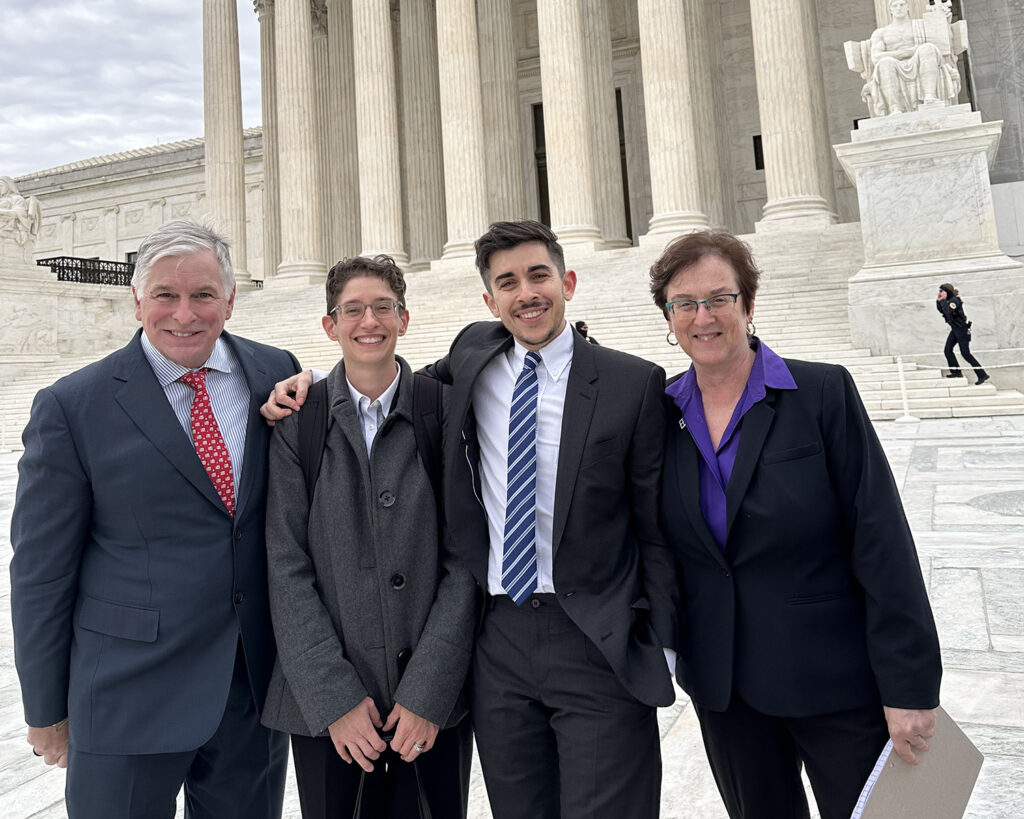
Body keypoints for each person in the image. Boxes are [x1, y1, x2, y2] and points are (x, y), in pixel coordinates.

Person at [264, 220, 679, 818]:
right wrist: (305, 383)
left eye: (538, 275)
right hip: (501, 639)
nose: (525, 293)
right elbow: (384, 381)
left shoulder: (632, 382)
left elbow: (656, 527)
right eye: (506, 282)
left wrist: (657, 644)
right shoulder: (471, 360)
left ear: (568, 281)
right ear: (489, 301)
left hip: (596, 637)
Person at [10, 220, 299, 818]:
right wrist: (45, 709)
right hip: (125, 696)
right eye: (165, 295)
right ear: (138, 299)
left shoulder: (275, 372)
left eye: (203, 295)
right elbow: (40, 572)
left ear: (230, 298)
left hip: (248, 691)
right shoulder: (73, 406)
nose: (184, 314)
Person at [649, 229, 942, 819]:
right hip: (726, 691)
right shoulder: (660, 413)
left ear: (748, 306)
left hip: (834, 682)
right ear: (670, 317)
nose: (702, 317)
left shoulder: (820, 392)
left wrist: (910, 687)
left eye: (719, 299)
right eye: (685, 303)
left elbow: (881, 538)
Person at [260, 255, 476, 817]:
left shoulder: (447, 412)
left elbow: (466, 562)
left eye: (383, 307)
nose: (368, 322)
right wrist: (335, 698)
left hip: (431, 707)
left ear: (405, 318)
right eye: (351, 310)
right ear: (330, 325)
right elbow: (286, 568)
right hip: (328, 710)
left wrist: (428, 691)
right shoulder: (297, 422)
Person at [863, 0, 960, 116]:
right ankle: (895, 107)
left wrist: (945, 22)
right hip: (895, 65)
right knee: (885, 62)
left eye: (902, 5)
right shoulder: (881, 33)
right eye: (895, 5)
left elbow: (942, 45)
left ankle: (930, 96)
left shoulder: (921, 25)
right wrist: (905, 53)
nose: (898, 8)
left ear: (907, 7)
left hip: (919, 62)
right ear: (890, 9)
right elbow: (876, 57)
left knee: (928, 48)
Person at [937, 282, 989, 384]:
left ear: (947, 291)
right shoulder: (947, 301)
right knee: (947, 350)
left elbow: (948, 312)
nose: (940, 293)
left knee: (965, 353)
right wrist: (938, 301)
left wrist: (942, 301)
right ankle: (956, 372)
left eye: (941, 291)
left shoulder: (954, 301)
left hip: (962, 330)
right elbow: (942, 311)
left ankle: (982, 374)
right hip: (955, 330)